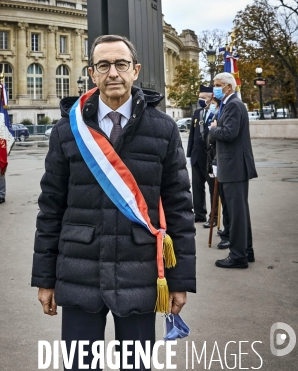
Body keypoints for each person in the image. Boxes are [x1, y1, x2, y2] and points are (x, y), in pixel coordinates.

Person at [32, 35, 195, 370]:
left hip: (140, 273)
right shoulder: (67, 131)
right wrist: (45, 278)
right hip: (79, 271)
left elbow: (179, 207)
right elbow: (51, 207)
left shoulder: (163, 130)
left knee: (136, 366)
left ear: (135, 71)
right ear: (92, 74)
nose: (113, 73)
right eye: (103, 65)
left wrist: (180, 281)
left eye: (121, 64)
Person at [209, 72, 257, 268]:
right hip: (233, 165)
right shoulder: (230, 104)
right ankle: (246, 251)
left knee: (237, 214)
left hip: (234, 166)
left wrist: (213, 129)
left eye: (218, 85)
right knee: (240, 212)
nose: (215, 88)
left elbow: (229, 133)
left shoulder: (234, 105)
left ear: (228, 86)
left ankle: (238, 256)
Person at [186, 85, 218, 227]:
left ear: (211, 98)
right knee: (197, 187)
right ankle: (199, 214)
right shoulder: (197, 113)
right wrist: (189, 154)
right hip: (196, 156)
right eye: (199, 97)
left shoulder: (216, 113)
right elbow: (192, 135)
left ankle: (214, 217)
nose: (200, 100)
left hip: (210, 158)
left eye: (203, 98)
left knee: (213, 189)